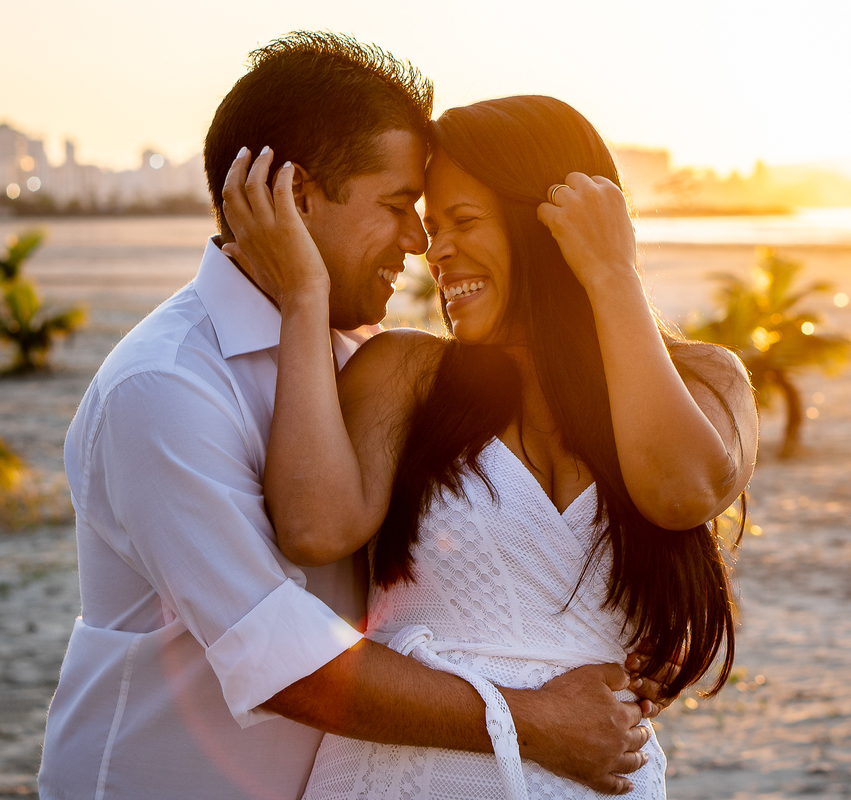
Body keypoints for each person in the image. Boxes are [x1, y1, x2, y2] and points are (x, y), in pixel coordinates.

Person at [38, 33, 666, 800]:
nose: (420, 243)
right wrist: (531, 717)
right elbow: (281, 661)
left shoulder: (364, 359)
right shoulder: (165, 389)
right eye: (400, 207)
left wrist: (594, 638)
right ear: (295, 199)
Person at [220, 94, 759, 799]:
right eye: (431, 225)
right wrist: (303, 295)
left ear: (552, 226)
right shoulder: (407, 372)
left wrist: (612, 275)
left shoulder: (707, 380)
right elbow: (316, 527)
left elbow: (679, 491)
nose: (435, 252)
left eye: (463, 222)